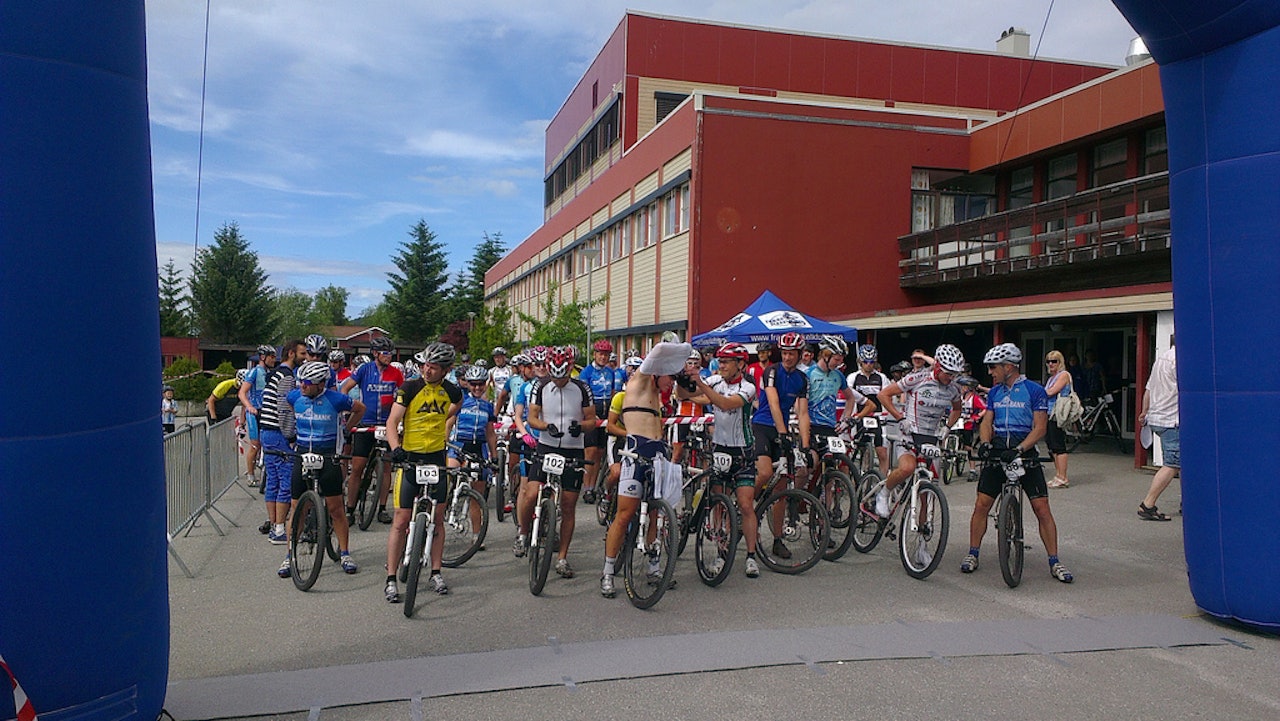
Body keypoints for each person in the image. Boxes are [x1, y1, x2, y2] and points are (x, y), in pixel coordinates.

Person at [961, 343, 1073, 583]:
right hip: (999, 448)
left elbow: (1041, 427)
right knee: (981, 505)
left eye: (993, 367)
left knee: (1042, 508)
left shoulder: (1034, 390)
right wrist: (985, 442)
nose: (990, 372)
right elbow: (987, 422)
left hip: (1025, 448)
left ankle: (1055, 561)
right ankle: (973, 553)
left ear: (1008, 367)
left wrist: (1020, 449)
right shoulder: (994, 392)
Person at [600, 341, 693, 597]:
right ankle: (608, 572)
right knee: (625, 513)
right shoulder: (639, 381)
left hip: (657, 451)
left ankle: (653, 567)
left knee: (656, 513)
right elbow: (656, 353)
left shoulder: (659, 394)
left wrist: (684, 372)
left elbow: (689, 393)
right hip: (635, 451)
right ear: (657, 371)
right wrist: (681, 347)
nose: (671, 383)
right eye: (669, 377)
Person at [382, 342, 463, 603]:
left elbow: (457, 404)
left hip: (436, 458)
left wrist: (445, 422)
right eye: (426, 365)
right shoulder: (409, 388)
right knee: (401, 519)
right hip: (411, 456)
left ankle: (436, 571)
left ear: (446, 370)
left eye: (434, 367)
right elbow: (392, 422)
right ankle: (391, 578)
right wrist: (396, 448)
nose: (427, 371)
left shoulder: (450, 390)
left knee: (438, 519)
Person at [282, 361, 365, 576]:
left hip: (327, 454)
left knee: (336, 508)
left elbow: (360, 409)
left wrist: (346, 429)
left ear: (321, 384)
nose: (302, 386)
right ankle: (289, 555)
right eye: (301, 382)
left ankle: (345, 552)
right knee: (296, 508)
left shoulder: (335, 399)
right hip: (302, 453)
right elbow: (292, 407)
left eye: (307, 383)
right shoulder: (294, 396)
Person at [522, 345, 598, 580]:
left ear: (570, 370)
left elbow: (592, 419)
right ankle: (523, 532)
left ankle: (562, 557)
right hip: (547, 446)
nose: (559, 381)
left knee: (567, 505)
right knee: (532, 493)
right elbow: (532, 417)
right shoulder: (540, 385)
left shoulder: (582, 388)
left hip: (572, 449)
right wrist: (546, 426)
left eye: (563, 376)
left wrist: (580, 427)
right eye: (555, 376)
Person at [684, 342, 760, 576]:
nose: (721, 365)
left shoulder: (748, 387)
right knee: (718, 502)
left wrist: (700, 385)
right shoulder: (715, 381)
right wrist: (683, 380)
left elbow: (725, 404)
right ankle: (720, 550)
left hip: (742, 451)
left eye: (726, 361)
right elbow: (688, 395)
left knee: (746, 505)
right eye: (719, 361)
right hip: (719, 448)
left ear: (740, 364)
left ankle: (751, 556)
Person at [874, 344, 965, 518]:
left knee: (928, 492)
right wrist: (900, 418)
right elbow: (883, 395)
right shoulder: (917, 378)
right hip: (910, 433)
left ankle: (923, 538)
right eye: (948, 373)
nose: (951, 377)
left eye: (954, 374)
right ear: (937, 367)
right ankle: (884, 493)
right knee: (908, 468)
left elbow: (957, 409)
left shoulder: (954, 388)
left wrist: (947, 428)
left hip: (932, 438)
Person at [752, 331, 812, 560]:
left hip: (783, 430)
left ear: (799, 355)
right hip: (763, 426)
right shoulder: (772, 371)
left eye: (792, 354)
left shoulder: (802, 379)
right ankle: (745, 508)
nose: (787, 358)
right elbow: (774, 403)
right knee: (765, 473)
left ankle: (777, 539)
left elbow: (803, 412)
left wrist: (805, 446)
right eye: (784, 353)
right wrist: (783, 432)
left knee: (782, 490)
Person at [340, 336, 405, 525]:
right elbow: (345, 388)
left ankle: (383, 508)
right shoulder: (364, 370)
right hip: (365, 423)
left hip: (386, 425)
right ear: (375, 354)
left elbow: (404, 395)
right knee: (357, 467)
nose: (389, 356)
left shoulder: (395, 373)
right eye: (386, 353)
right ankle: (350, 508)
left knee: (385, 468)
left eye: (391, 353)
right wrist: (347, 409)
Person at [258, 339, 305, 552]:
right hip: (279, 433)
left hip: (266, 431)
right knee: (285, 481)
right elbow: (285, 408)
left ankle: (274, 526)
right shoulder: (287, 377)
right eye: (302, 353)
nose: (305, 357)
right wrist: (291, 436)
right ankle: (279, 529)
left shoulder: (274, 374)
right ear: (291, 354)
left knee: (273, 480)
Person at [448, 364, 499, 547]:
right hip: (458, 445)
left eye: (480, 384)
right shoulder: (460, 401)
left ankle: (477, 535)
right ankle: (444, 505)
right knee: (448, 472)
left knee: (477, 495)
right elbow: (448, 423)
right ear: (467, 384)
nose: (477, 388)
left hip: (478, 448)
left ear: (485, 384)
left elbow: (490, 432)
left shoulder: (487, 406)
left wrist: (494, 457)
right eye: (473, 384)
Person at [1137, 337, 1178, 521]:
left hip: (1157, 418)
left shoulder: (1160, 360)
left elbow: (1148, 389)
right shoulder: (1180, 360)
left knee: (1184, 461)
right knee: (1172, 464)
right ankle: (1148, 504)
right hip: (1172, 420)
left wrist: (1144, 412)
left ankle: (1188, 502)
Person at [577, 339, 621, 503]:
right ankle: (587, 487)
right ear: (595, 354)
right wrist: (590, 415)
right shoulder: (586, 372)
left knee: (601, 453)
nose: (603, 357)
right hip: (591, 410)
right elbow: (583, 394)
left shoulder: (610, 372)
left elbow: (612, 392)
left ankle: (594, 486)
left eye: (606, 355)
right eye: (601, 354)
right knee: (591, 452)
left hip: (605, 410)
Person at [847, 344, 892, 472]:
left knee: (882, 452)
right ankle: (855, 477)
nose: (869, 364)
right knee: (855, 449)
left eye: (872, 362)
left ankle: (883, 482)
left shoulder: (881, 378)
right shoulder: (853, 377)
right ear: (860, 361)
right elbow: (848, 397)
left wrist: (886, 414)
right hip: (859, 416)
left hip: (877, 417)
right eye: (866, 362)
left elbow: (886, 397)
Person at [238, 344, 278, 483]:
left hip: (266, 411)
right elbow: (242, 393)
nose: (274, 360)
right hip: (254, 413)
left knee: (266, 443)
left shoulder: (270, 373)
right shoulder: (254, 372)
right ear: (263, 357)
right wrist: (249, 406)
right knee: (255, 445)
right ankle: (250, 475)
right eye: (272, 357)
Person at [1043, 349, 1073, 488]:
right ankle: (1058, 475)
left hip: (1058, 414)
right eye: (1048, 361)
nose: (1051, 364)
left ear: (1060, 362)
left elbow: (1051, 392)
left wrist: (1036, 392)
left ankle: (1063, 476)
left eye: (1054, 361)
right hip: (1049, 414)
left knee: (1059, 445)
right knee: (1052, 445)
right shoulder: (1050, 378)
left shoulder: (1064, 375)